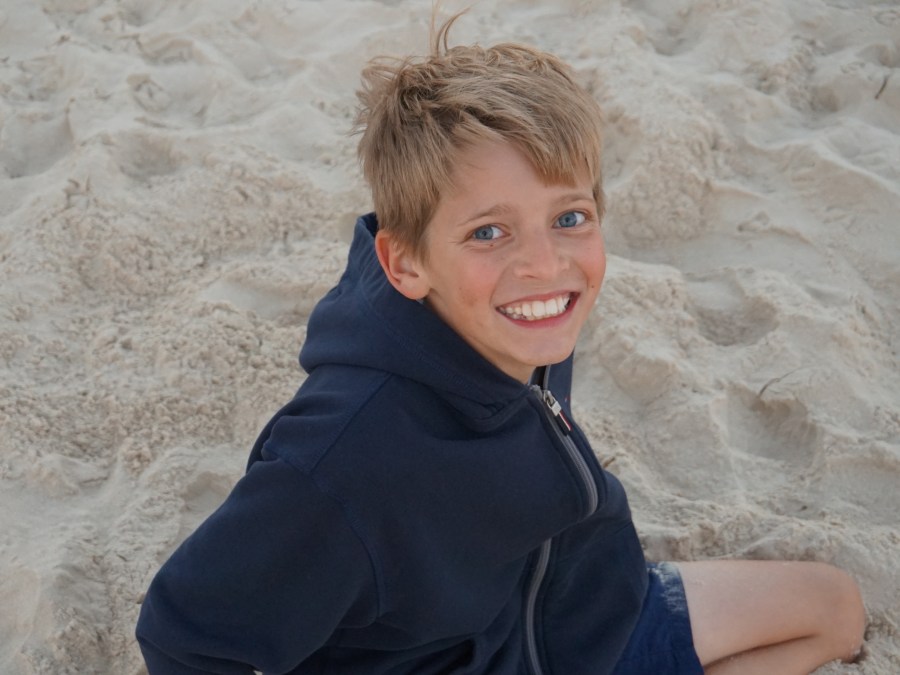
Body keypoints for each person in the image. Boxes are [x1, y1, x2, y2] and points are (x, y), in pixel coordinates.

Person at [135, 16, 866, 675]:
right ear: (405, 264)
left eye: (569, 217)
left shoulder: (512, 328)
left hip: (583, 616)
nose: (544, 264)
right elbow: (183, 637)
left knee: (835, 610)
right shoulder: (344, 461)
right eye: (489, 232)